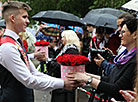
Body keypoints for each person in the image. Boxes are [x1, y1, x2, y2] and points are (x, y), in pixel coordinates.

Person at [0, 1, 78, 102]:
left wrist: (62, 82)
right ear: (12, 18)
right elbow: (29, 80)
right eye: (24, 17)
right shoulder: (7, 46)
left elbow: (35, 73)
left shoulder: (15, 42)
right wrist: (63, 83)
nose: (28, 21)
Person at [68, 16, 138, 101]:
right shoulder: (125, 57)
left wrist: (88, 79)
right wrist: (85, 75)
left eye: (123, 32)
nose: (120, 35)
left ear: (135, 34)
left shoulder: (134, 61)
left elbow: (116, 89)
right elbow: (110, 79)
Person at [50, 30, 81, 102]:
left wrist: (52, 64)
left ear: (68, 38)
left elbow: (62, 65)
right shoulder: (64, 49)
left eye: (63, 37)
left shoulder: (71, 50)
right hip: (61, 84)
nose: (61, 39)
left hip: (65, 86)